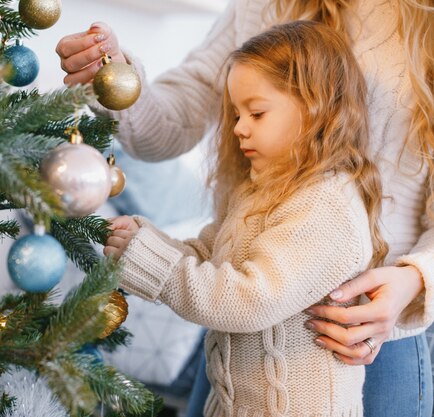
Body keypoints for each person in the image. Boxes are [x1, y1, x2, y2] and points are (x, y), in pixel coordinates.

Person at [56, 1, 434, 416]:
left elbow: (248, 298)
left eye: (255, 112)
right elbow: (212, 248)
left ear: (317, 110)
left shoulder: (326, 205)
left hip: (372, 337)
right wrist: (116, 78)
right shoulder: (257, 192)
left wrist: (416, 278)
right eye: (237, 113)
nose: (237, 127)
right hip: (235, 365)